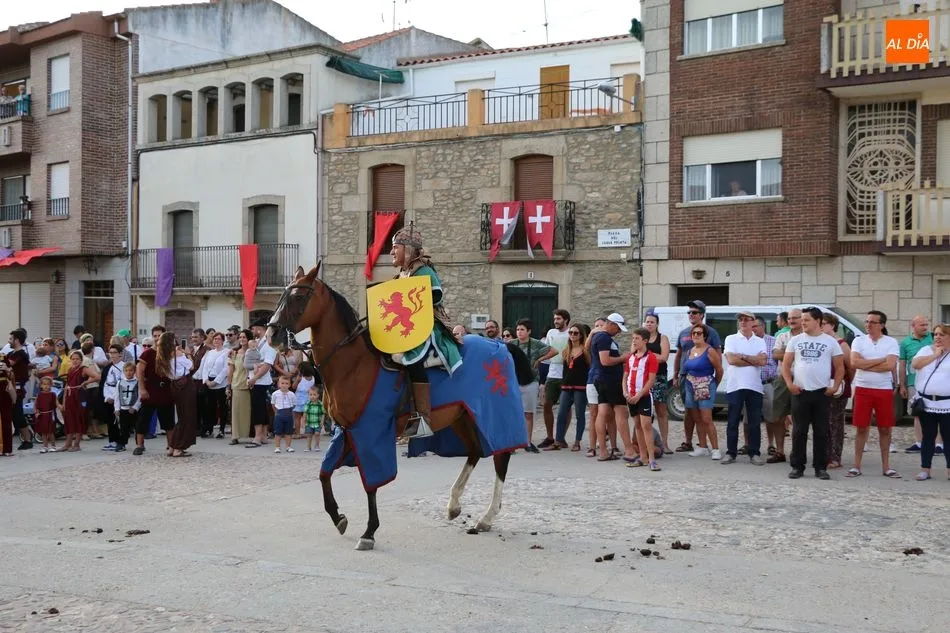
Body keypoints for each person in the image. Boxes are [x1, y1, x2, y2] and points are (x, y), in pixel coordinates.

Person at [388, 224, 461, 438]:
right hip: (405, 329)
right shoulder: (402, 275)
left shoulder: (424, 270)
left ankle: (422, 419)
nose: (392, 252)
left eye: (395, 247)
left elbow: (434, 297)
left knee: (412, 360)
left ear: (408, 250)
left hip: (427, 328)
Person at [782, 307, 844, 480]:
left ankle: (820, 467)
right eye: (802, 320)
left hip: (822, 393)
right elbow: (785, 365)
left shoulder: (830, 342)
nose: (803, 323)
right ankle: (797, 466)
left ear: (817, 321)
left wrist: (835, 386)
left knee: (821, 431)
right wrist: (789, 384)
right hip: (800, 391)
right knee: (799, 431)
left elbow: (840, 367)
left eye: (806, 320)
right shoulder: (796, 340)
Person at [848, 311, 901, 478]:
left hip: (883, 389)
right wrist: (880, 360)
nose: (868, 325)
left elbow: (890, 365)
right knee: (861, 428)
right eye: (867, 321)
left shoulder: (891, 342)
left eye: (872, 322)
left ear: (882, 325)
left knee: (885, 428)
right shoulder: (858, 340)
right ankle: (856, 465)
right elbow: (854, 363)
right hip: (863, 389)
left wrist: (866, 363)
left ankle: (886, 467)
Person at [721, 311, 768, 466]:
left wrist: (743, 356)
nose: (743, 322)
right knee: (733, 420)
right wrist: (752, 359)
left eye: (746, 320)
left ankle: (754, 452)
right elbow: (732, 360)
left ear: (752, 323)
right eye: (740, 320)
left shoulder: (759, 341)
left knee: (754, 422)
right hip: (736, 385)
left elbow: (762, 361)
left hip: (754, 386)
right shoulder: (731, 338)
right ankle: (730, 452)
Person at [910, 324, 950, 481]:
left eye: (942, 334)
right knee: (928, 437)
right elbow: (915, 364)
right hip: (926, 403)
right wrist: (935, 355)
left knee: (948, 438)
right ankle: (925, 469)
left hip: (947, 405)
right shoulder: (926, 350)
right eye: (936, 334)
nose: (938, 337)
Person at [592, 313, 633, 462]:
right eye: (618, 328)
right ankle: (629, 450)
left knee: (602, 413)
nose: (619, 332)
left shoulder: (601, 337)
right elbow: (605, 361)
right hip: (610, 380)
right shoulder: (604, 338)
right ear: (612, 325)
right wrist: (624, 358)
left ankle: (603, 451)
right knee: (621, 413)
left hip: (602, 379)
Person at [134, 331, 177, 456]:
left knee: (168, 420)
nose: (158, 339)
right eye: (155, 336)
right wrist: (142, 389)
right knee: (143, 419)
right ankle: (140, 445)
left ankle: (171, 445)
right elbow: (140, 371)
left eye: (160, 336)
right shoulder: (147, 353)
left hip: (166, 391)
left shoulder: (169, 353)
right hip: (150, 391)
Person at [623, 327, 660, 471]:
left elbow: (651, 380)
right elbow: (625, 376)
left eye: (637, 338)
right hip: (631, 396)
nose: (634, 341)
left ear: (645, 340)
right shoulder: (630, 357)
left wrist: (639, 395)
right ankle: (643, 456)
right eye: (633, 338)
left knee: (646, 426)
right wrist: (625, 392)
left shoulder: (651, 357)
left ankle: (652, 459)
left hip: (643, 396)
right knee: (637, 426)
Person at [554, 322, 589, 452]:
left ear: (581, 335)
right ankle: (558, 440)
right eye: (570, 333)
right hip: (567, 386)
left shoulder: (585, 351)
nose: (572, 335)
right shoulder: (566, 350)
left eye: (575, 333)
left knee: (580, 414)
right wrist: (563, 384)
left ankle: (577, 441)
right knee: (562, 413)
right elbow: (564, 370)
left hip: (580, 386)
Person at [113, 362, 140, 453]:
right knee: (124, 428)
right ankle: (122, 443)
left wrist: (135, 407)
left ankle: (139, 444)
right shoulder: (120, 382)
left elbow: (139, 396)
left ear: (134, 371)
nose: (129, 373)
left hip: (134, 409)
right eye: (126, 371)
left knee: (138, 427)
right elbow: (117, 396)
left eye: (131, 370)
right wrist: (117, 408)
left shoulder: (137, 382)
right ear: (124, 372)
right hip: (123, 409)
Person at [271, 376, 296, 453]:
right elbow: (273, 404)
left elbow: (294, 404)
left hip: (289, 415)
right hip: (279, 415)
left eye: (286, 383)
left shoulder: (292, 394)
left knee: (288, 432)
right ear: (278, 384)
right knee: (278, 432)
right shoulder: (275, 394)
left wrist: (289, 411)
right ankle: (277, 447)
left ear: (289, 385)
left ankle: (288, 446)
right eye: (282, 383)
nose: (284, 385)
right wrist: (276, 412)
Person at [33, 377, 58, 453]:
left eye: (48, 384)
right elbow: (36, 404)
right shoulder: (39, 395)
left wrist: (61, 407)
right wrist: (36, 412)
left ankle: (53, 445)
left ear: (51, 385)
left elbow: (57, 403)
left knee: (50, 432)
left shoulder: (53, 394)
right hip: (42, 415)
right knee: (43, 432)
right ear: (41, 385)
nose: (46, 386)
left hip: (50, 415)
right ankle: (45, 446)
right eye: (44, 384)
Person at [303, 385, 325, 452]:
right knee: (309, 435)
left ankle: (317, 445)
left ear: (318, 395)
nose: (312, 396)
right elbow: (305, 413)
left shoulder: (320, 404)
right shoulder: (307, 404)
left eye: (314, 394)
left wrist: (322, 422)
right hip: (309, 422)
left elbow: (323, 413)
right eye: (310, 394)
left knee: (317, 434)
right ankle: (308, 447)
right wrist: (304, 421)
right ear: (308, 395)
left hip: (317, 422)